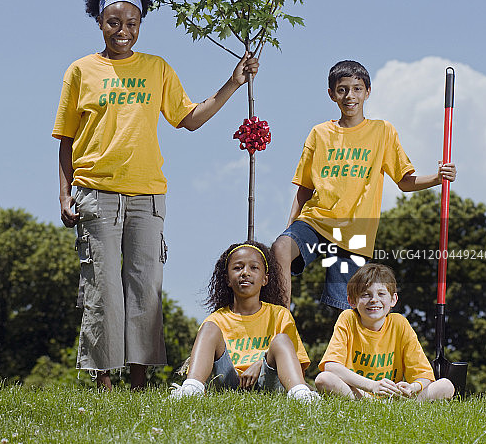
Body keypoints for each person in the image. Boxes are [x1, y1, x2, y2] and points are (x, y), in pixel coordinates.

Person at [53, 0, 258, 390]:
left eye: (131, 23)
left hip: (148, 197)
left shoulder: (157, 68)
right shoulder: (80, 71)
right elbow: (66, 140)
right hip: (95, 193)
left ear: (141, 23)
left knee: (145, 289)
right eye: (114, 23)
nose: (123, 31)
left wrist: (232, 84)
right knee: (103, 290)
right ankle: (105, 383)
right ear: (99, 21)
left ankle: (140, 381)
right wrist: (63, 193)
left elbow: (189, 118)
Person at [272, 60, 457, 309]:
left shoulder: (382, 132)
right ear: (331, 94)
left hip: (355, 233)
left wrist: (437, 177)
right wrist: (290, 228)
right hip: (315, 221)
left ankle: (343, 346)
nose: (350, 96)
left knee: (343, 310)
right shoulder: (319, 133)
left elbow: (404, 181)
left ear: (367, 91)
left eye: (357, 89)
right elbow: (305, 187)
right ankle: (282, 326)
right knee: (280, 249)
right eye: (342, 89)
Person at [170, 241, 319, 402]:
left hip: (268, 382)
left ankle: (301, 396)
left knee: (282, 339)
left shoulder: (280, 315)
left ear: (265, 279)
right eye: (238, 268)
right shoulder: (216, 319)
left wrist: (262, 363)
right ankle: (191, 390)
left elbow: (298, 368)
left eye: (254, 268)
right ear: (227, 279)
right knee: (208, 329)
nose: (245, 273)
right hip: (230, 383)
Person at [315, 263, 454, 400]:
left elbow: (424, 376)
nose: (374, 300)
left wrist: (412, 388)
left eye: (381, 294)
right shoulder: (348, 318)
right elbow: (331, 366)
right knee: (324, 379)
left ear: (393, 299)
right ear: (352, 301)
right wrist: (372, 386)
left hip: (393, 397)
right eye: (365, 294)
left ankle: (404, 408)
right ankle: (372, 403)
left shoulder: (399, 323)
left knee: (446, 386)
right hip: (361, 394)